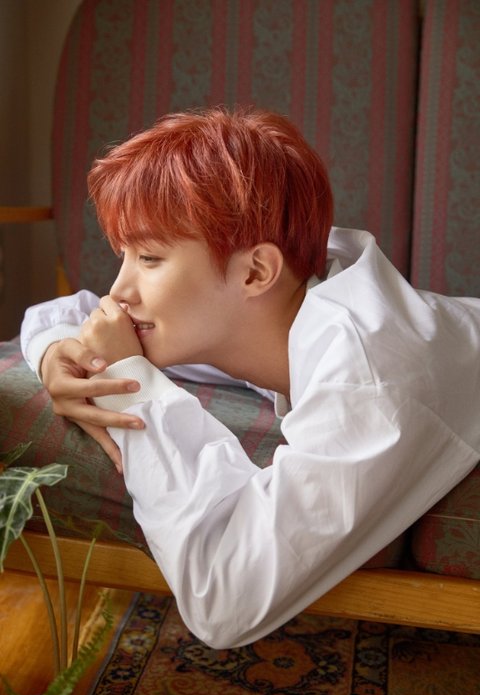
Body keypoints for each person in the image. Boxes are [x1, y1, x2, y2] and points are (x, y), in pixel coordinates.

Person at [21, 107, 480, 649]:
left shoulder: (367, 385)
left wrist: (129, 385)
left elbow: (224, 600)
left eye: (149, 257)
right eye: (125, 255)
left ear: (256, 271)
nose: (118, 292)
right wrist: (57, 354)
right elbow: (65, 314)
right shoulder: (281, 298)